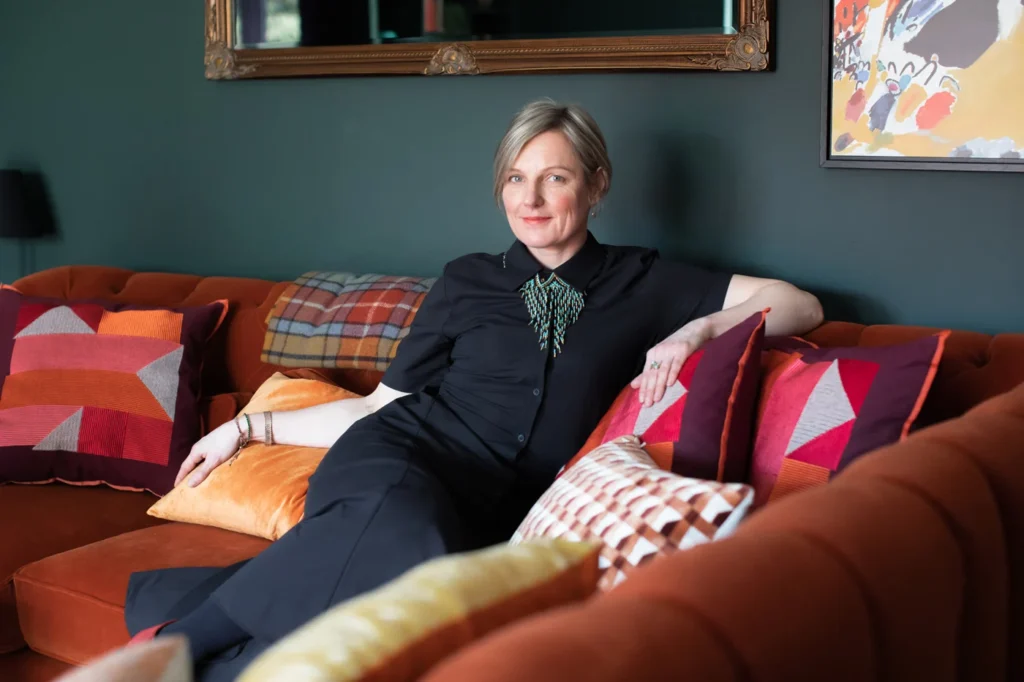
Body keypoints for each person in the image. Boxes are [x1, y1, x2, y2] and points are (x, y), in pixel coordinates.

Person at [124, 99, 823, 680]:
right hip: (403, 457)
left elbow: (799, 305)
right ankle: (192, 649)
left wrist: (697, 331)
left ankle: (192, 650)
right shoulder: (467, 280)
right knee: (409, 539)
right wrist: (245, 429)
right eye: (516, 179)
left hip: (493, 511)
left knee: (426, 576)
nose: (532, 199)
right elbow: (380, 408)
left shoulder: (645, 280)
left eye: (555, 178)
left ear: (597, 184)